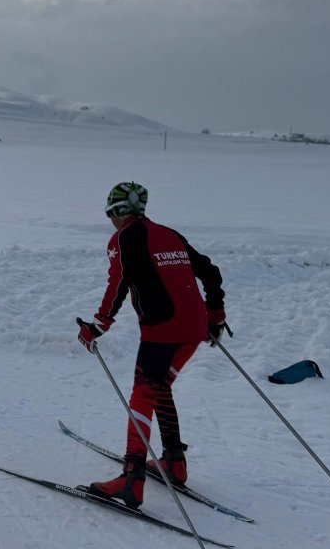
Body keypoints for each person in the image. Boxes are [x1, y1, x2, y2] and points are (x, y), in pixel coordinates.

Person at [77, 182, 226, 509]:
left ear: (118, 212)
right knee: (159, 386)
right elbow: (210, 272)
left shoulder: (123, 239)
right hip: (194, 328)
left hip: (163, 329)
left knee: (142, 393)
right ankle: (174, 462)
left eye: (110, 215)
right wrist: (214, 317)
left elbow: (117, 284)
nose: (111, 222)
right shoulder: (170, 233)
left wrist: (97, 327)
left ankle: (132, 477)